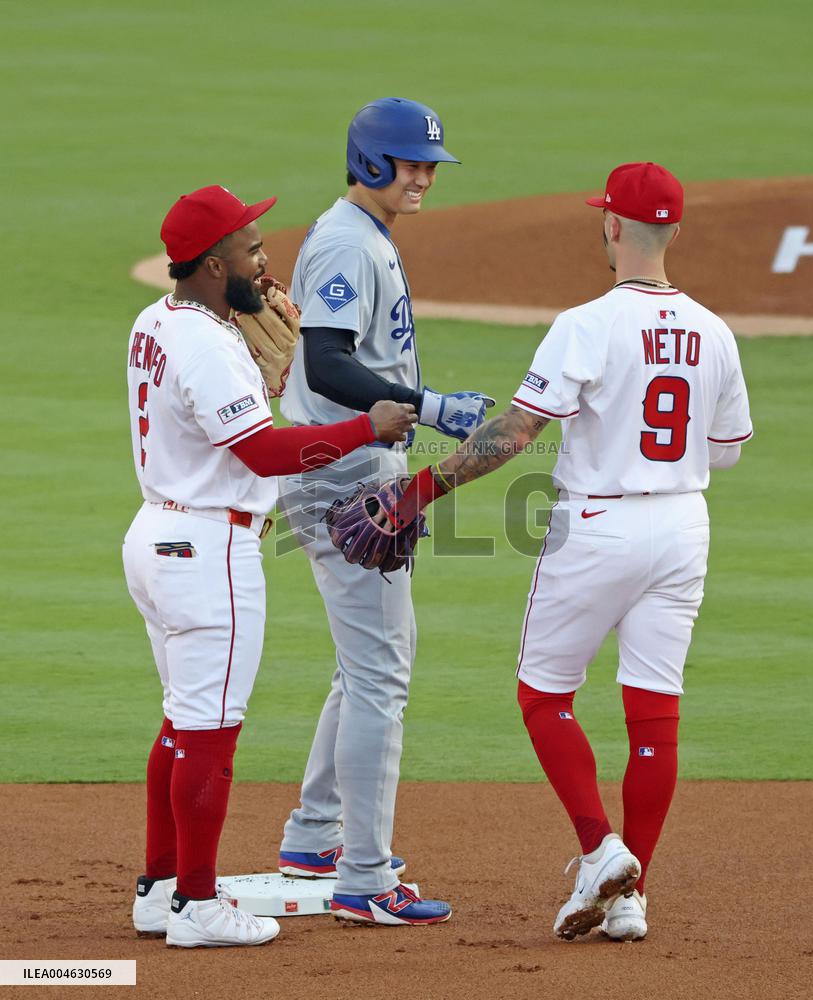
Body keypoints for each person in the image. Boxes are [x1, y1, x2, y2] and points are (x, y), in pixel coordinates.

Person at [386, 162, 753, 941]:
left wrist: (418, 491)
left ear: (611, 225)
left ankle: (599, 849)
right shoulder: (716, 332)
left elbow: (516, 432)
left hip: (598, 525)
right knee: (654, 711)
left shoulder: (586, 324)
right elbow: (726, 451)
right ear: (675, 231)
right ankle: (631, 901)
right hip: (683, 528)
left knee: (544, 695)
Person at [124, 184, 415, 948]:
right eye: (251, 248)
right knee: (210, 733)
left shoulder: (156, 321)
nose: (265, 259)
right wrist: (367, 427)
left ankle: (161, 888)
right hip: (207, 549)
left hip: (157, 536)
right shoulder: (209, 346)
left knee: (181, 723)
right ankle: (195, 904)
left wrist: (262, 381)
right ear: (214, 265)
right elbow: (262, 451)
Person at [266, 98, 493, 926]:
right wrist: (428, 406)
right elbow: (325, 363)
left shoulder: (362, 235)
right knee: (380, 677)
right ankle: (364, 878)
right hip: (345, 474)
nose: (423, 176)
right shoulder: (346, 243)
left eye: (431, 164)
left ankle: (314, 835)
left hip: (348, 468)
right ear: (369, 161)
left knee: (361, 668)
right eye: (409, 163)